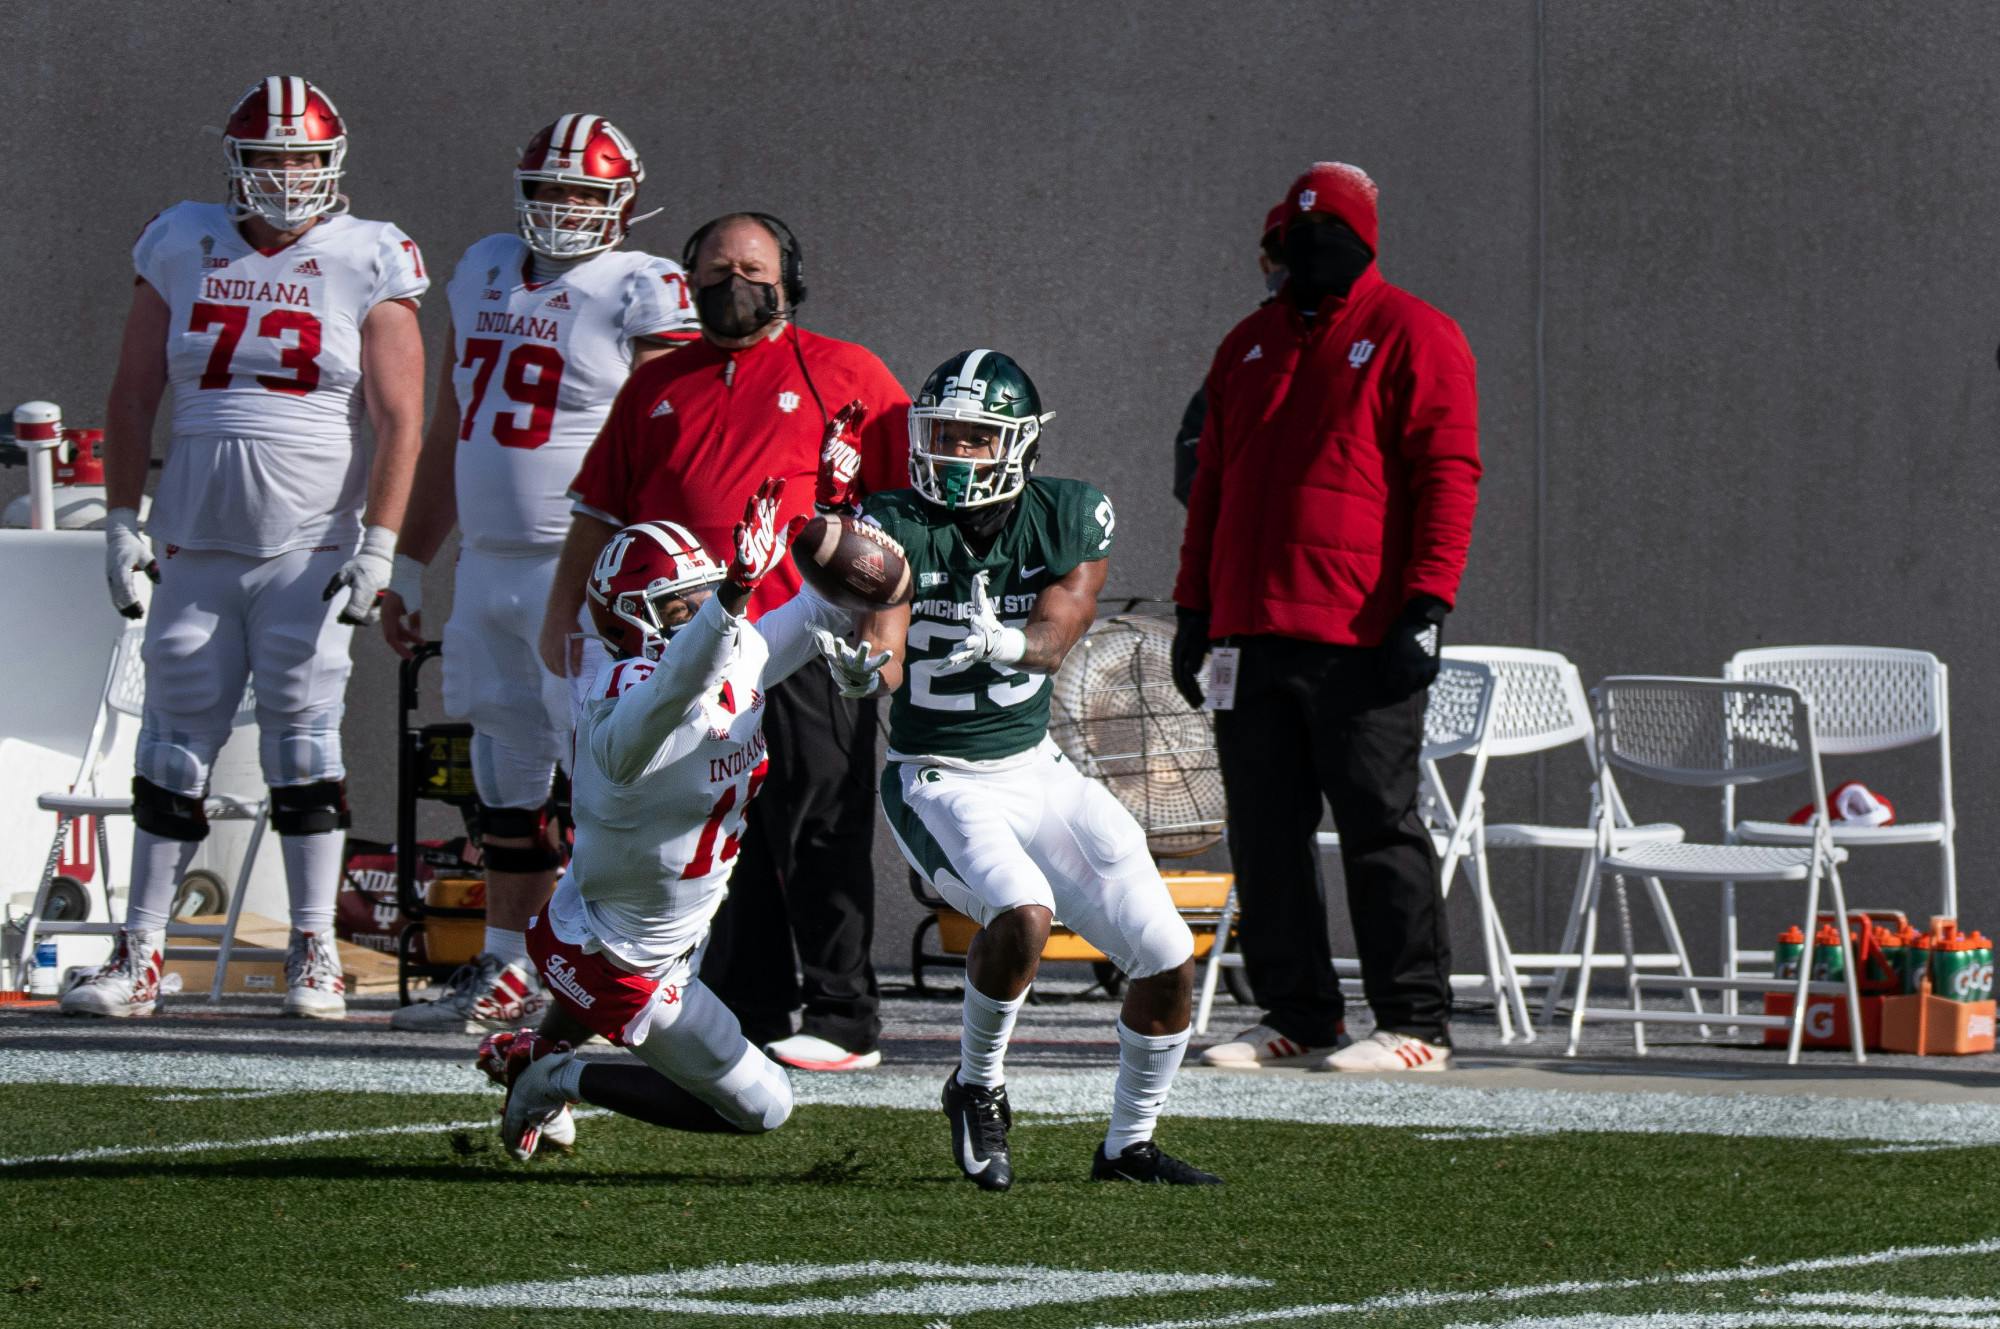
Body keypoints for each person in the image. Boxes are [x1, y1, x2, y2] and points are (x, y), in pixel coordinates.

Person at [65, 76, 427, 1021]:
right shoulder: (182, 238)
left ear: (332, 165)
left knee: (304, 746)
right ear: (235, 164)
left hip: (310, 548)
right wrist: (118, 517)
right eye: (268, 158)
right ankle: (139, 956)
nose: (285, 176)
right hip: (195, 541)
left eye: (302, 158)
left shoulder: (369, 255)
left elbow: (401, 420)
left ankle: (316, 951)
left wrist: (380, 544)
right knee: (172, 750)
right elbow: (132, 392)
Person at [819, 349, 1219, 1190]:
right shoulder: (895, 519)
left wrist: (1008, 642)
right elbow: (886, 645)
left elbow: (1058, 630)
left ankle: (1127, 1144)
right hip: (936, 775)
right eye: (942, 435)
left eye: (974, 437)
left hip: (1035, 767)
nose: (953, 454)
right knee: (1024, 911)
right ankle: (976, 1083)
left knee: (1166, 951)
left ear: (1020, 445)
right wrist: (865, 669)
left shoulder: (1070, 513)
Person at [540, 213, 907, 1071]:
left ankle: (844, 1013)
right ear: (687, 278)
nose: (730, 280)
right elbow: (598, 517)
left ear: (790, 276)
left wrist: (884, 635)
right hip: (684, 647)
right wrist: (565, 635)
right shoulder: (656, 384)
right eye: (713, 267)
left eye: (750, 266)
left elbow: (895, 524)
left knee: (821, 819)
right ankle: (749, 1002)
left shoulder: (847, 371)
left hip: (804, 634)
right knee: (713, 821)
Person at [379, 115, 700, 1035]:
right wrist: (409, 561)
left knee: (604, 774)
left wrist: (652, 574)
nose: (561, 211)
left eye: (582, 194)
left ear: (623, 207)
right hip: (486, 563)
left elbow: (666, 441)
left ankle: (611, 963)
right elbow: (453, 430)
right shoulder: (482, 266)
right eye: (548, 191)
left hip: (588, 568)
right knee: (501, 770)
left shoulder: (644, 286)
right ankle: (509, 961)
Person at [1173, 162, 1481, 1073]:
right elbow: (1213, 492)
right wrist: (1196, 609)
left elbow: (1447, 474)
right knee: (1267, 834)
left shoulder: (1416, 334)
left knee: (1379, 823)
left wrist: (1427, 603)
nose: (1306, 251)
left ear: (1363, 242)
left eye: (1327, 234)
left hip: (1360, 633)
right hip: (1248, 631)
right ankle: (1299, 1013)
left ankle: (1414, 1021)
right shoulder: (1246, 346)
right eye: (1295, 234)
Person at [487, 462, 859, 1159]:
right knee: (764, 1106)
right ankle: (554, 1074)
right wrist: (733, 593)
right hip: (622, 956)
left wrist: (840, 506)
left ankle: (528, 1051)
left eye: (702, 596)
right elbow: (673, 688)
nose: (703, 613)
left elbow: (819, 609)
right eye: (681, 605)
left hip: (636, 921)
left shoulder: (726, 650)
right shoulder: (620, 702)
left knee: (626, 982)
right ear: (632, 621)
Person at [1173, 203, 1288, 507]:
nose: (1295, 266)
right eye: (1282, 255)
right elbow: (1192, 451)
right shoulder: (1246, 347)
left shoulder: (1375, 343)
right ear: (1266, 265)